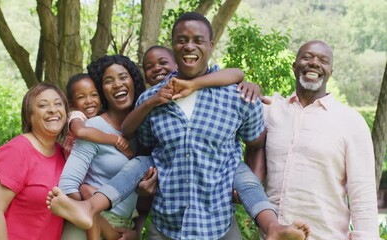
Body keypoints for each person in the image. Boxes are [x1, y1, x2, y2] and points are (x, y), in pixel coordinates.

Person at [47, 13, 309, 240]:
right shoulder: (151, 100)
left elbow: (255, 144)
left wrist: (244, 188)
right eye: (182, 40)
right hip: (166, 226)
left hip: (218, 224)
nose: (189, 46)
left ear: (211, 45)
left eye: (198, 40)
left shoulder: (239, 95)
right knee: (139, 162)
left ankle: (272, 227)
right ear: (173, 46)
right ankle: (89, 208)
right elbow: (145, 147)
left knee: (241, 171)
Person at [255, 40, 380, 240]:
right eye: (307, 57)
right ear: (294, 67)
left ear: (330, 71)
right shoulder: (271, 112)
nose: (314, 63)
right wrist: (247, 86)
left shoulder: (351, 122)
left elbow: (362, 194)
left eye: (323, 60)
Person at [57, 55, 149, 240]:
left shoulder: (146, 132)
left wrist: (136, 231)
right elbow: (67, 186)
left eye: (123, 77)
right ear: (102, 90)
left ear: (133, 81)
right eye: (109, 81)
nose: (117, 84)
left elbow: (145, 200)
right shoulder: (95, 127)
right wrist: (105, 227)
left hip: (125, 230)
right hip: (86, 230)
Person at [0, 83, 68, 240]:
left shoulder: (63, 154)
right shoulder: (17, 150)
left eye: (58, 104)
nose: (53, 109)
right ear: (29, 115)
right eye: (43, 105)